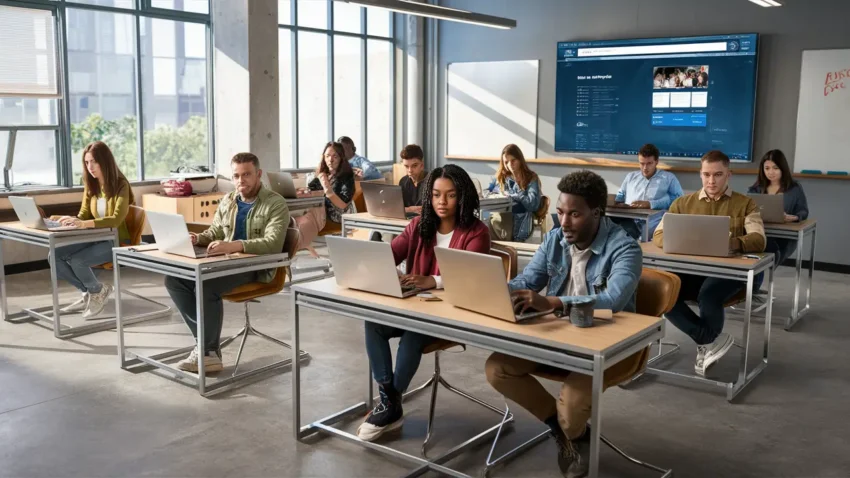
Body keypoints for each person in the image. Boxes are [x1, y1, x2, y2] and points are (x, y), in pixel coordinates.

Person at [485, 170, 642, 478]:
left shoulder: (625, 248)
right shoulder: (555, 239)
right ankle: (568, 434)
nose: (564, 222)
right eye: (560, 212)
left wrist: (555, 303)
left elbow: (613, 300)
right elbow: (527, 281)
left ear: (596, 213)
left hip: (607, 345)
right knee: (497, 368)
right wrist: (491, 287)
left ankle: (572, 430)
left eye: (574, 214)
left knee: (571, 410)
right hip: (559, 337)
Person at [356, 164, 491, 442]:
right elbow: (388, 256)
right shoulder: (418, 225)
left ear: (462, 197)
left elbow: (472, 277)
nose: (442, 202)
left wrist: (434, 280)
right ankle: (390, 400)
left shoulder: (477, 232)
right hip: (415, 308)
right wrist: (379, 268)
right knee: (374, 323)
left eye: (451, 195)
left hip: (453, 314)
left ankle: (389, 405)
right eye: (437, 195)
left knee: (414, 333)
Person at [165, 153, 290, 373]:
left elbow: (272, 244)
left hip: (257, 266)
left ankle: (208, 352)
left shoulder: (275, 203)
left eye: (247, 174)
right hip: (227, 262)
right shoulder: (228, 200)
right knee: (174, 279)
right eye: (236, 176)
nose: (241, 180)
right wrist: (197, 238)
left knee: (206, 284)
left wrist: (234, 246)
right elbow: (215, 232)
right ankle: (206, 347)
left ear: (258, 174)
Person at [652, 150, 765, 377]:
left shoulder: (746, 204)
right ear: (700, 174)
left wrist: (731, 243)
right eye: (706, 175)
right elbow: (659, 235)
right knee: (663, 291)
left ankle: (706, 342)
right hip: (693, 270)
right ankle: (708, 339)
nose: (711, 181)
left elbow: (759, 239)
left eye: (718, 175)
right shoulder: (682, 203)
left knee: (708, 294)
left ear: (728, 175)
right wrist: (684, 242)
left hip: (731, 272)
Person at [51, 141, 135, 319]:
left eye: (94, 162)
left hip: (115, 240)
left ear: (105, 162)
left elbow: (116, 219)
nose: (90, 167)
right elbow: (83, 215)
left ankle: (94, 292)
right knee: (54, 256)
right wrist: (68, 220)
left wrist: (84, 224)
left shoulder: (121, 185)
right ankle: (93, 291)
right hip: (94, 238)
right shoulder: (91, 184)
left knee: (77, 261)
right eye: (87, 162)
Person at [747, 149, 809, 268]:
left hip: (784, 234)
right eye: (767, 168)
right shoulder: (755, 189)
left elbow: (803, 211)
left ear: (782, 168)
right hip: (761, 230)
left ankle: (764, 268)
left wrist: (795, 217)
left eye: (775, 168)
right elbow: (747, 210)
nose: (771, 172)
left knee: (768, 249)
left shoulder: (794, 188)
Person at [295, 142, 356, 256]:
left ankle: (301, 243)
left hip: (339, 215)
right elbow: (311, 189)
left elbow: (343, 204)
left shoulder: (347, 176)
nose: (330, 160)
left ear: (341, 158)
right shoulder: (324, 174)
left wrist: (326, 186)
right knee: (294, 219)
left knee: (305, 220)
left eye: (335, 156)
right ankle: (298, 242)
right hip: (320, 213)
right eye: (327, 156)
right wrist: (301, 191)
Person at [613, 143, 684, 239]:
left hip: (654, 223)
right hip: (629, 221)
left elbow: (679, 201)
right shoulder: (630, 177)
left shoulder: (668, 178)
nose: (645, 168)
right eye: (642, 163)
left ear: (656, 162)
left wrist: (651, 204)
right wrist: (620, 204)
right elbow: (619, 196)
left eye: (649, 163)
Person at [485, 144, 542, 242]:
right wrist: (491, 194)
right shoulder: (500, 177)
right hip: (500, 220)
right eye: (506, 162)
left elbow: (533, 205)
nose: (510, 164)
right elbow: (487, 191)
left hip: (521, 221)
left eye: (513, 160)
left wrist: (518, 193)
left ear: (520, 159)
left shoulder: (531, 177)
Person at [399, 144, 428, 214]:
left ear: (422, 165)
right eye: (406, 166)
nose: (410, 170)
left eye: (414, 166)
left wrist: (407, 209)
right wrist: (410, 209)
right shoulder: (403, 181)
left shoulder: (432, 181)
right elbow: (399, 207)